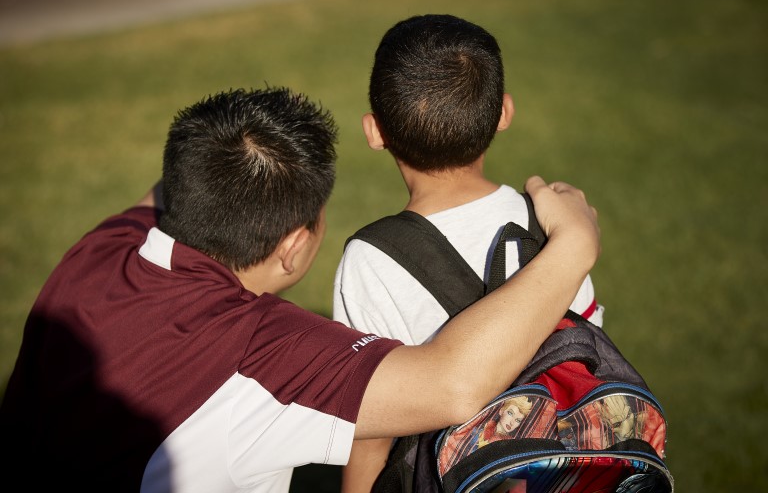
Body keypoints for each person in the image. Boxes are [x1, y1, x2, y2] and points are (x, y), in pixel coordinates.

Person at [0, 86, 600, 493]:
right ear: (293, 247)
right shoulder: (260, 355)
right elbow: (452, 384)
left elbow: (172, 185)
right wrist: (574, 243)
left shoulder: (105, 247)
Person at [332, 14, 605, 491]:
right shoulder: (555, 227)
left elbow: (370, 428)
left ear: (374, 131)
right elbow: (583, 363)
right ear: (504, 113)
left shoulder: (369, 260)